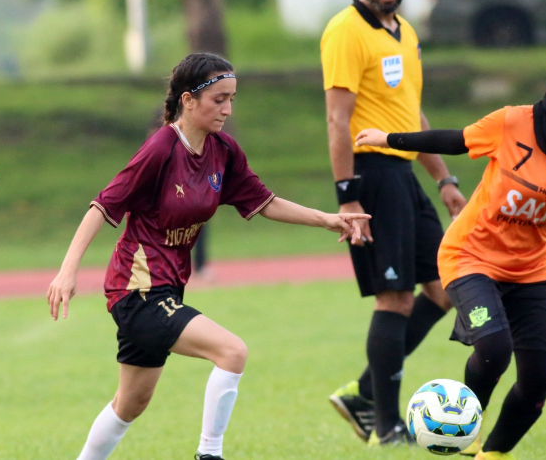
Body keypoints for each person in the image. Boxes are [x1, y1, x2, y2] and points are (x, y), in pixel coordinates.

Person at [48, 52, 368, 460]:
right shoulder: (161, 147)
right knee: (232, 351)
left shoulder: (224, 151)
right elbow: (103, 206)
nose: (227, 109)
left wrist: (327, 219)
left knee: (130, 404)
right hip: (137, 290)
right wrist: (67, 271)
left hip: (166, 290)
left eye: (231, 98)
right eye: (218, 99)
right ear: (188, 101)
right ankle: (209, 455)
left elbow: (264, 201)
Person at [354, 48, 546, 460]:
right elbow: (453, 140)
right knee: (494, 348)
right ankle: (464, 428)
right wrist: (388, 139)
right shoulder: (513, 122)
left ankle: (493, 454)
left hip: (530, 271)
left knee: (537, 380)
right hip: (469, 258)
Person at [322, 0, 468, 447]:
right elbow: (338, 121)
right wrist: (347, 196)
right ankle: (386, 426)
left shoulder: (404, 31)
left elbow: (411, 117)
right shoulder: (345, 32)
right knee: (395, 299)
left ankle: (364, 393)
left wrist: (444, 179)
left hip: (404, 175)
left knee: (444, 290)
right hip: (370, 175)